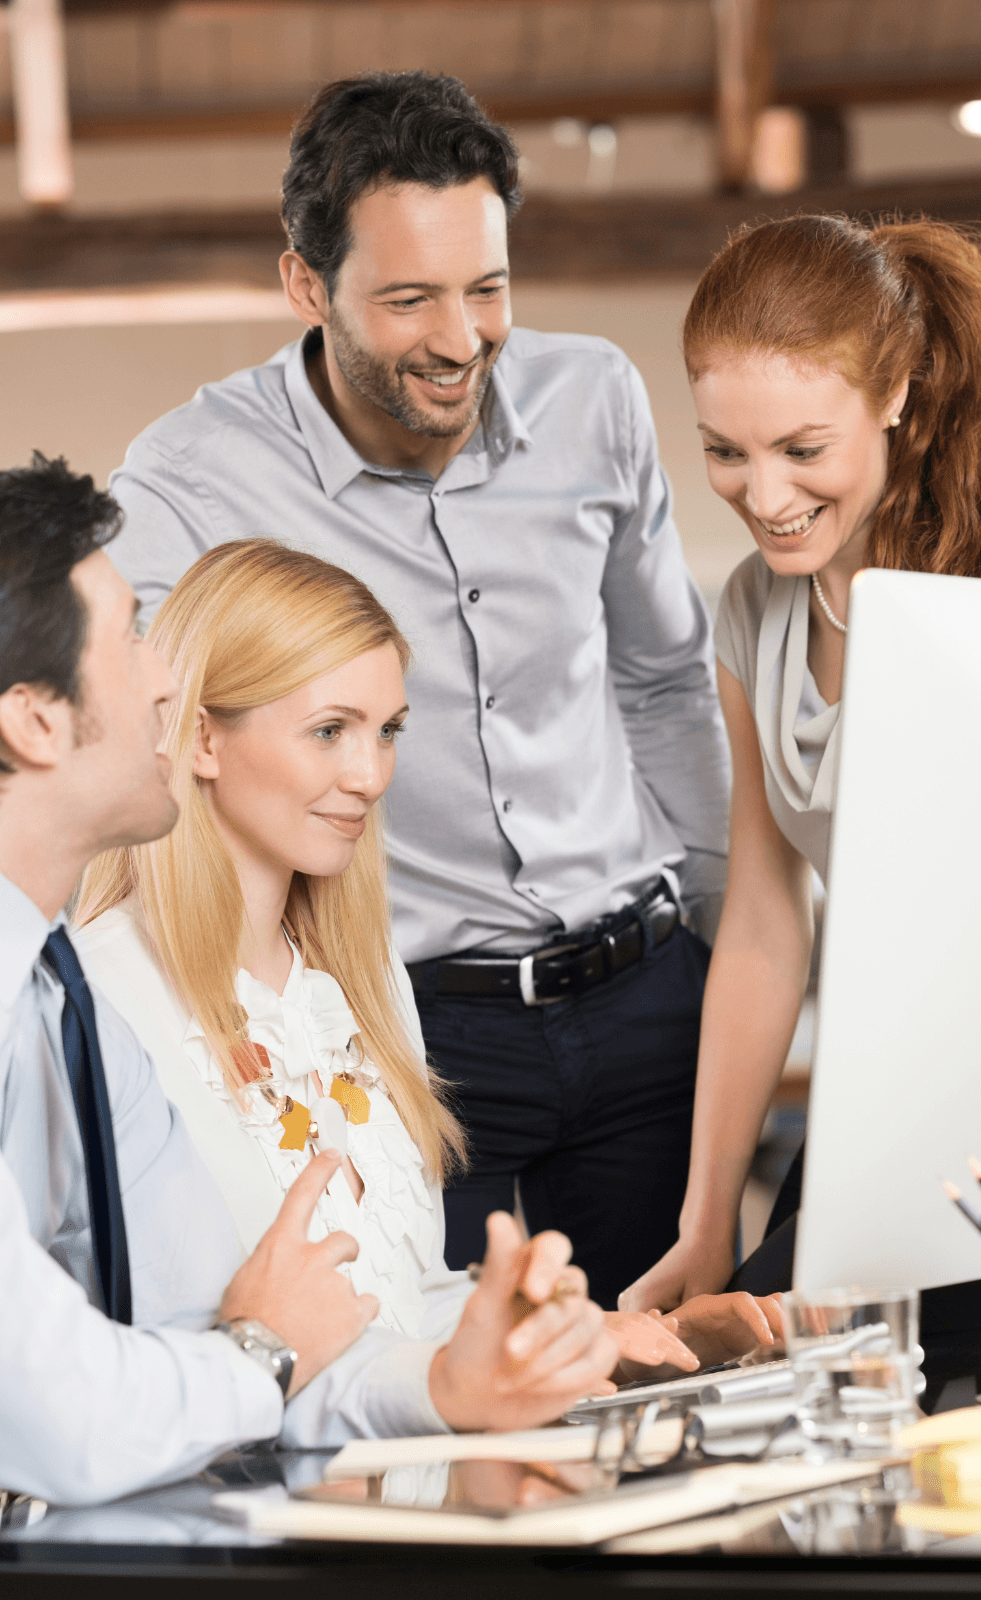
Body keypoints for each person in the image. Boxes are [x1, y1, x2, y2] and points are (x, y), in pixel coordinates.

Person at [105, 71, 732, 1309]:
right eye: (407, 299)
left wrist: (719, 936)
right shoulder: (191, 475)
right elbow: (142, 740)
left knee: (653, 1389)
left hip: (647, 997)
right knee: (443, 1390)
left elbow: (662, 682)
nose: (460, 340)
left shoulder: (594, 397)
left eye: (486, 288)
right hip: (420, 1030)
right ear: (305, 284)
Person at [0, 455, 627, 1507]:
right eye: (129, 639)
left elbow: (263, 1344)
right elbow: (72, 1410)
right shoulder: (95, 990)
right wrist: (259, 1349)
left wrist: (449, 1375)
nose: (165, 676)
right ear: (33, 719)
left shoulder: (55, 996)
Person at [75, 536, 780, 1391]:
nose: (370, 775)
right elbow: (131, 1358)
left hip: (412, 1484)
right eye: (330, 731)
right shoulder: (103, 999)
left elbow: (412, 1302)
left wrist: (600, 1337)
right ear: (201, 741)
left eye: (387, 732)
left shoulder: (364, 980)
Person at [621, 214, 981, 1331]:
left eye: (803, 449)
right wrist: (707, 1219)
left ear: (897, 396)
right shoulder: (751, 615)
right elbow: (770, 926)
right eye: (727, 449)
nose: (764, 495)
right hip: (892, 1108)